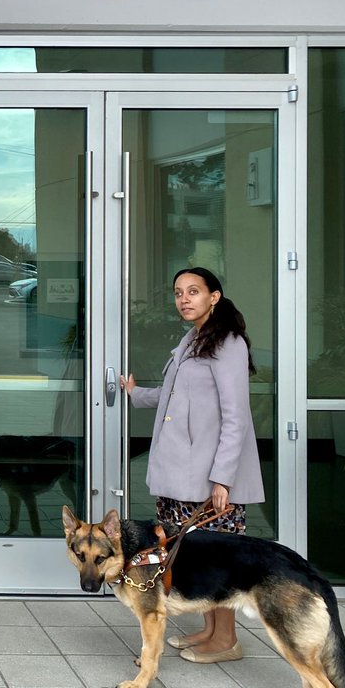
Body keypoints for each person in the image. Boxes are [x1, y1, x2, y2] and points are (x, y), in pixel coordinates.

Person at [121, 266, 263, 664]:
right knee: (194, 556)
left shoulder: (228, 343)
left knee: (220, 561)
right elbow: (173, 396)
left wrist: (223, 480)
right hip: (181, 475)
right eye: (179, 292)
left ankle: (227, 641)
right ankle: (211, 630)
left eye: (194, 291)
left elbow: (236, 417)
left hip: (209, 478)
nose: (184, 299)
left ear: (214, 297)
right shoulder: (193, 339)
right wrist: (135, 394)